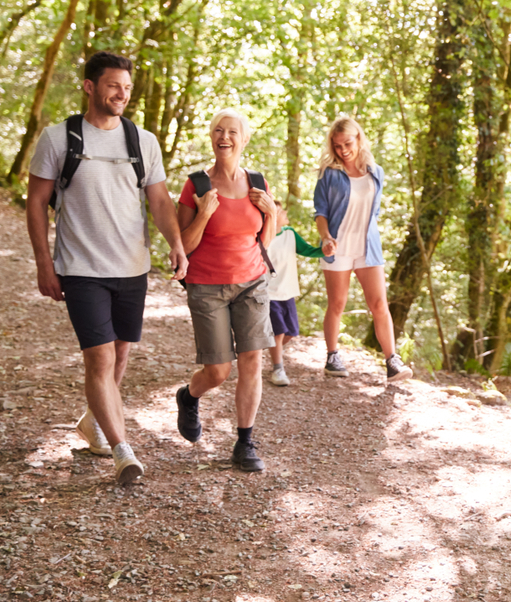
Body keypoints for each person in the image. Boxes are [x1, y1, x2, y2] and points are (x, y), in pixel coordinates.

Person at [25, 51, 188, 484]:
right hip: (80, 266)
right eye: (114, 85)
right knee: (98, 358)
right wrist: (45, 261)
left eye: (128, 87)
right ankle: (123, 451)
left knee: (119, 355)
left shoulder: (143, 141)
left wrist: (175, 243)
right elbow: (37, 201)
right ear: (90, 86)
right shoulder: (59, 139)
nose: (122, 94)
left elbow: (158, 200)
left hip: (131, 267)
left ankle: (92, 421)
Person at [175, 108, 276, 473]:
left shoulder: (258, 183)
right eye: (218, 130)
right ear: (211, 137)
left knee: (252, 360)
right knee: (218, 370)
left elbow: (263, 241)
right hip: (207, 285)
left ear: (244, 138)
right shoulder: (197, 185)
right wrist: (203, 213)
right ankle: (189, 397)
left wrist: (273, 217)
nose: (225, 137)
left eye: (232, 131)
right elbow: (182, 246)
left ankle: (245, 441)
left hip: (252, 282)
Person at [312, 116, 412, 382]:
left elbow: (374, 212)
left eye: (347, 143)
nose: (343, 150)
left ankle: (392, 362)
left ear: (359, 139)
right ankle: (333, 356)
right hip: (337, 247)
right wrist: (325, 237)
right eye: (337, 146)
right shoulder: (329, 174)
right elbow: (320, 212)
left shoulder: (374, 172)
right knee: (338, 303)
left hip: (368, 247)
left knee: (379, 304)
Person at [266, 199, 323, 386]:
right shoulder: (261, 239)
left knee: (290, 332)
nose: (284, 214)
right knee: (279, 332)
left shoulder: (290, 234)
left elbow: (307, 250)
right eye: (280, 212)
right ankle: (278, 369)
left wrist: (324, 251)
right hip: (269, 293)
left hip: (287, 292)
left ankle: (266, 352)